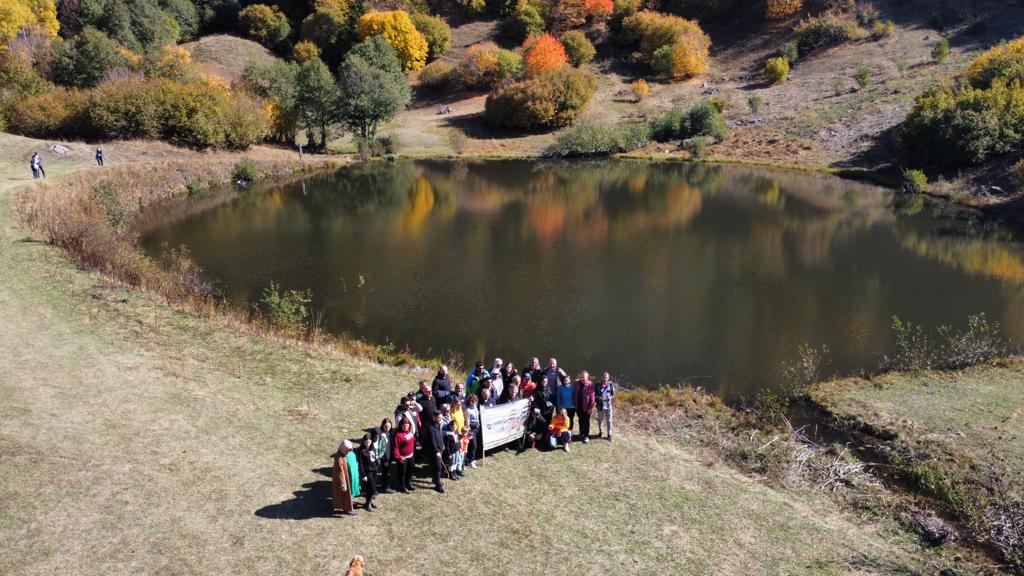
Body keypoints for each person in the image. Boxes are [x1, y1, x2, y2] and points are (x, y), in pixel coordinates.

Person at [330, 440, 357, 515]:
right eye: (347, 450)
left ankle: (339, 505)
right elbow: (340, 472)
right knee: (344, 494)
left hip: (341, 478)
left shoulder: (341, 454)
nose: (348, 452)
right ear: (342, 449)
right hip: (342, 480)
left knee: (339, 494)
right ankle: (347, 508)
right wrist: (343, 484)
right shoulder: (339, 458)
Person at [392, 417, 416, 492]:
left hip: (410, 455)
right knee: (402, 473)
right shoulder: (398, 435)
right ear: (401, 426)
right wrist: (399, 458)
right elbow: (396, 448)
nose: (405, 427)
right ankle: (401, 485)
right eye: (404, 426)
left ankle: (408, 483)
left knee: (410, 470)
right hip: (403, 458)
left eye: (407, 425)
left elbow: (412, 440)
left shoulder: (409, 431)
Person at [357, 434, 378, 510]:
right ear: (363, 442)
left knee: (371, 488)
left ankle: (370, 501)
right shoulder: (361, 451)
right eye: (366, 442)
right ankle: (367, 504)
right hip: (367, 472)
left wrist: (377, 465)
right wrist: (363, 475)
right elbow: (360, 464)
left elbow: (375, 458)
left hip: (374, 470)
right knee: (372, 489)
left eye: (369, 442)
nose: (367, 444)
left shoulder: (373, 448)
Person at [574, 371, 596, 443]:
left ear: (587, 377)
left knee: (586, 421)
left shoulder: (590, 384)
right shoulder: (576, 382)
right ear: (580, 376)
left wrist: (590, 408)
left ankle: (586, 435)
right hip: (578, 406)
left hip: (587, 407)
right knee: (580, 420)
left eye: (584, 377)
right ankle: (581, 433)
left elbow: (592, 398)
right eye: (582, 377)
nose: (583, 378)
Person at [427, 411, 446, 493]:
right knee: (438, 467)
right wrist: (437, 451)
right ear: (433, 417)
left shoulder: (438, 424)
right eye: (438, 418)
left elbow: (440, 435)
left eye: (441, 418)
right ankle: (438, 485)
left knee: (437, 466)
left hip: (440, 448)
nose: (440, 419)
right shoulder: (431, 427)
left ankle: (435, 480)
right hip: (435, 451)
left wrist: (442, 445)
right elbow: (432, 441)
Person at [377, 419, 396, 493]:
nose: (387, 428)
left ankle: (386, 485)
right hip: (385, 459)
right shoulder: (382, 435)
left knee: (387, 472)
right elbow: (381, 450)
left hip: (390, 457)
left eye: (389, 426)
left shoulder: (390, 433)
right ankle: (385, 487)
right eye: (385, 426)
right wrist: (385, 460)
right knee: (385, 473)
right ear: (382, 426)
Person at [596, 372, 616, 442]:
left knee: (609, 421)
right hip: (600, 406)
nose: (605, 379)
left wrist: (610, 397)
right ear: (601, 377)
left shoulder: (611, 384)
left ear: (608, 378)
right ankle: (601, 432)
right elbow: (594, 395)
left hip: (609, 406)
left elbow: (613, 394)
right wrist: (599, 398)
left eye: (607, 378)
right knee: (600, 420)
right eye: (604, 377)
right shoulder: (597, 384)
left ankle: (609, 435)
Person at [464, 394, 481, 469]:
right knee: (474, 445)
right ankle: (470, 461)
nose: (473, 402)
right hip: (471, 428)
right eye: (472, 401)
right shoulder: (468, 409)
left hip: (477, 427)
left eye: (475, 401)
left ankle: (472, 459)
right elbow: (468, 421)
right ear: (469, 401)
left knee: (475, 444)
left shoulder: (476, 406)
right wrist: (469, 431)